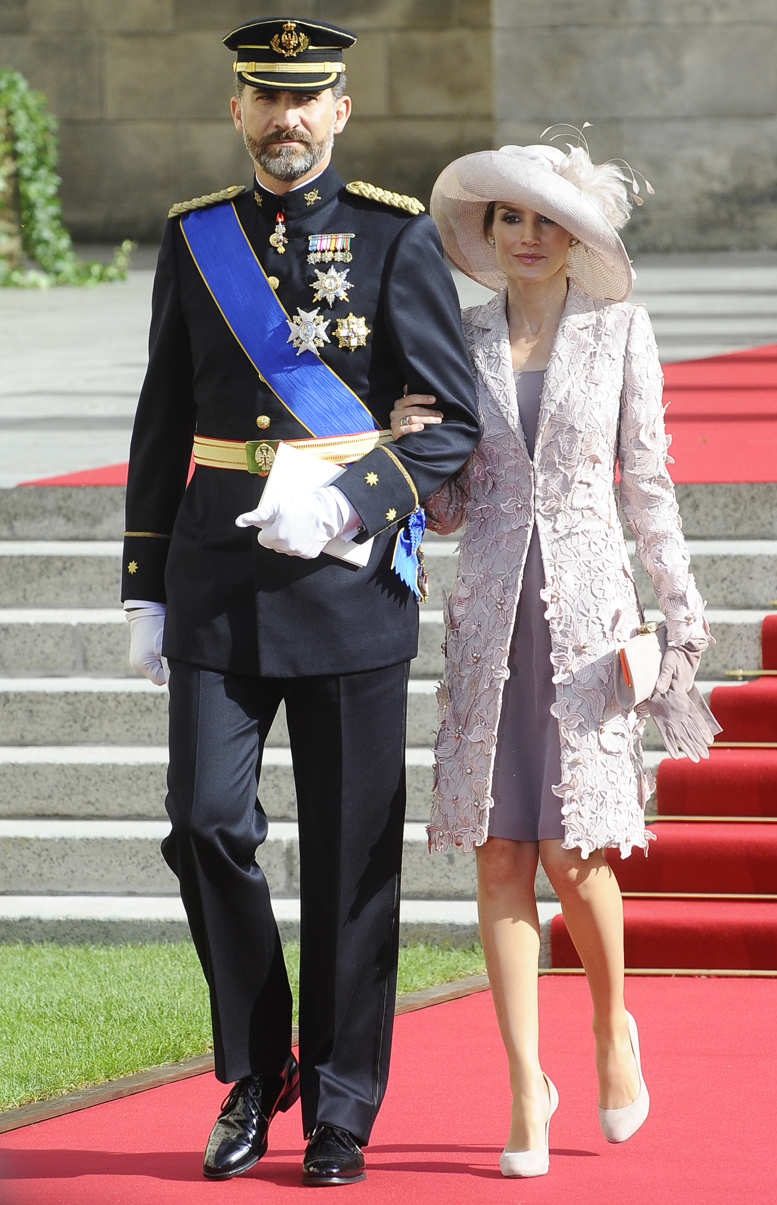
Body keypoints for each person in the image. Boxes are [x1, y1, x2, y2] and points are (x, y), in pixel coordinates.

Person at [121, 16, 479, 1188]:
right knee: (206, 822)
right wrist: (144, 587)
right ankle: (253, 1063)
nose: (284, 120)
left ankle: (338, 1106)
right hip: (217, 582)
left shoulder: (393, 238)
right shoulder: (197, 239)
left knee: (346, 865)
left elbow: (454, 420)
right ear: (237, 112)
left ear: (337, 110)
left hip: (344, 590)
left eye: (304, 99)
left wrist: (350, 501)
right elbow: (161, 420)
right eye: (262, 100)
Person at [390, 136, 718, 1177]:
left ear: (577, 237)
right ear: (485, 233)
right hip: (488, 619)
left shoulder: (619, 330)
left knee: (577, 855)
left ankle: (612, 1026)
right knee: (498, 853)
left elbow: (647, 483)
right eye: (508, 218)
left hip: (584, 621)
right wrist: (407, 443)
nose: (525, 236)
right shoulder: (461, 336)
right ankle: (523, 1085)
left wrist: (679, 611)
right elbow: (445, 507)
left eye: (545, 219)